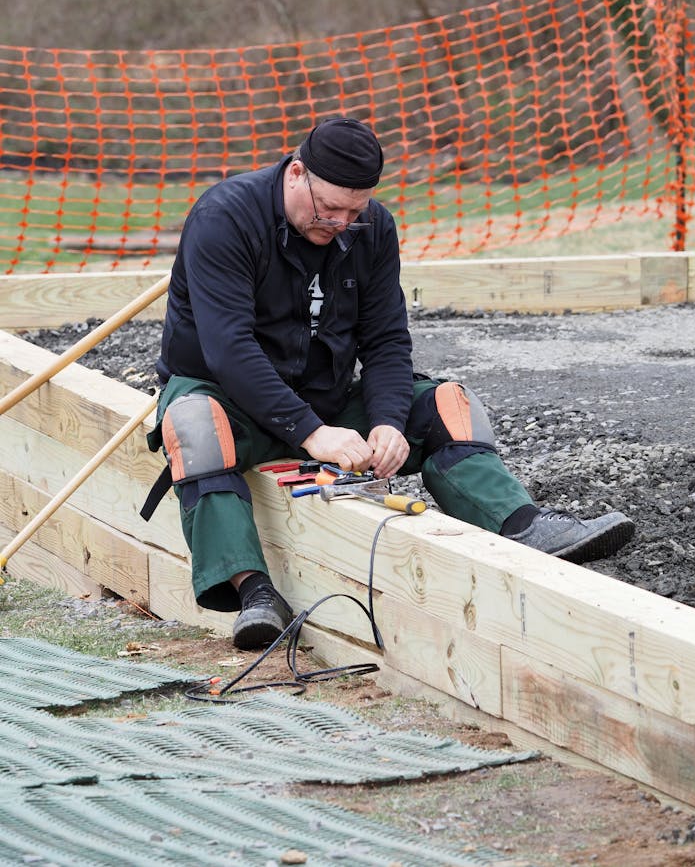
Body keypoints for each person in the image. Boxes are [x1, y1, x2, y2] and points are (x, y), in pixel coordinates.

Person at [145, 117, 634, 651]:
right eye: (328, 209)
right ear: (297, 172)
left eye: (354, 213)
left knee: (449, 404)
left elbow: (386, 340)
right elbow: (229, 351)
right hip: (232, 404)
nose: (339, 223)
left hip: (325, 402)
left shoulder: (372, 228)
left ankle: (522, 524)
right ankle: (255, 594)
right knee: (193, 424)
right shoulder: (225, 218)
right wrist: (312, 433)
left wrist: (386, 421)